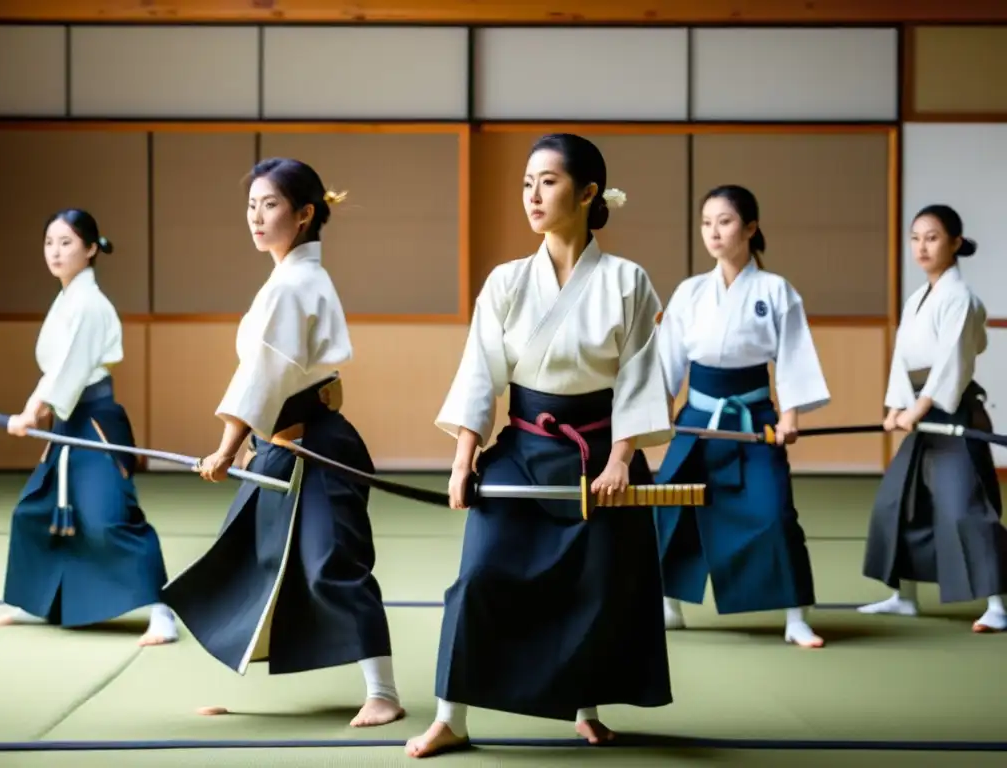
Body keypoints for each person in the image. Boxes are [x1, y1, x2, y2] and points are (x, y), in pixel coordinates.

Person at [405, 133, 673, 759]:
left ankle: (586, 705)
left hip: (601, 453)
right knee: (477, 577)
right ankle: (452, 716)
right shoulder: (506, 281)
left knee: (598, 586)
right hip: (524, 450)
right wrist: (463, 457)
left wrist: (620, 462)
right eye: (527, 182)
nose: (532, 194)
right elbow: (480, 372)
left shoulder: (628, 281)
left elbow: (638, 377)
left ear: (586, 193)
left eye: (547, 181)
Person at [159, 158, 403, 727]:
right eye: (251, 205)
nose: (257, 217)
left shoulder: (295, 283)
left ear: (305, 214)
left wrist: (225, 447)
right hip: (288, 442)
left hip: (315, 445)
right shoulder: (290, 278)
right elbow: (278, 374)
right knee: (249, 554)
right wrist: (250, 443)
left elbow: (265, 374)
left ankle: (384, 693)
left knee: (330, 564)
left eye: (270, 204)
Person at [0, 209, 176, 646]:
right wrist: (32, 410)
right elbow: (55, 370)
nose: (55, 251)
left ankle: (162, 611)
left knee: (107, 520)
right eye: (49, 242)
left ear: (91, 249)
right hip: (68, 421)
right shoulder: (69, 298)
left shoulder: (90, 303)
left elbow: (69, 372)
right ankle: (39, 602)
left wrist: (32, 413)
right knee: (35, 511)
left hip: (94, 423)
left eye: (66, 242)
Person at [653, 185, 830, 649]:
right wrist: (660, 409)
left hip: (754, 420)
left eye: (725, 221)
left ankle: (796, 617)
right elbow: (669, 362)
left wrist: (790, 414)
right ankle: (668, 607)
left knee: (774, 513)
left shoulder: (775, 290)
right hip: (697, 419)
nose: (714, 231)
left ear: (750, 227)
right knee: (669, 504)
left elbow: (793, 357)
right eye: (707, 222)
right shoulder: (690, 292)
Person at [858, 204, 1007, 633]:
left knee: (965, 509)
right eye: (916, 237)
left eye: (932, 237)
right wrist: (894, 408)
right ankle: (903, 598)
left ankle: (998, 603)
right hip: (922, 415)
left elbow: (953, 363)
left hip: (953, 414)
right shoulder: (917, 298)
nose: (921, 246)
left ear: (955, 243)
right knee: (897, 503)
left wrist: (915, 409)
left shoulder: (960, 297)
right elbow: (904, 359)